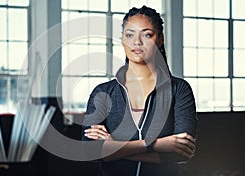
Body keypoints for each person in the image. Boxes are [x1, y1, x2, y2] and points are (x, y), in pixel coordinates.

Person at [82, 5, 198, 176]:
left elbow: (180, 152)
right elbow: (90, 151)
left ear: (160, 39)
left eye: (147, 34)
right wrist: (155, 145)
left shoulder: (179, 89)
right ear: (122, 40)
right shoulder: (103, 93)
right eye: (130, 35)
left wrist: (114, 149)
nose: (137, 42)